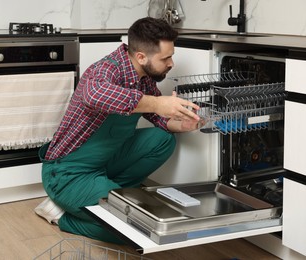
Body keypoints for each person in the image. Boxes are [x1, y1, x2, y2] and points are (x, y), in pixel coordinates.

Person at [35, 17, 202, 244]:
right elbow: (94, 94)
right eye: (166, 58)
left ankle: (113, 195)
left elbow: (157, 117)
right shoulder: (105, 70)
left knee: (163, 139)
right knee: (138, 229)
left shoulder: (143, 77)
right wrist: (158, 103)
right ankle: (62, 215)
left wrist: (180, 125)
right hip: (68, 174)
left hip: (105, 162)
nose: (171, 63)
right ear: (141, 57)